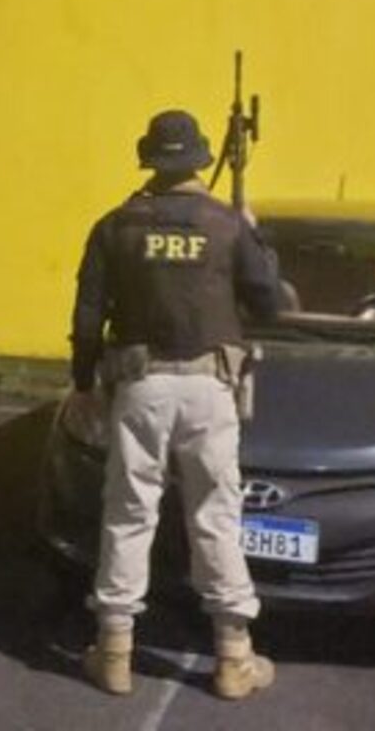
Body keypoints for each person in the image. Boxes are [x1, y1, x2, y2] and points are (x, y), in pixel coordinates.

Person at [69, 109, 285, 701]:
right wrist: (253, 235)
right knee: (216, 516)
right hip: (210, 388)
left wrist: (83, 383)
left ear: (150, 161)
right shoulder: (226, 225)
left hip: (140, 386)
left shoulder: (115, 226)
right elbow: (269, 302)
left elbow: (88, 316)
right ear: (200, 159)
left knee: (128, 513)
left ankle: (115, 653)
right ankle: (233, 659)